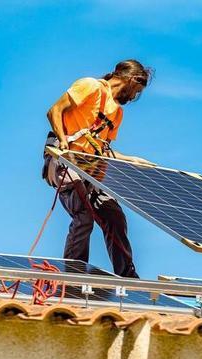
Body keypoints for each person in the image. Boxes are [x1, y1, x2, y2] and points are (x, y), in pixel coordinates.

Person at [42, 60, 154, 278]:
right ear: (131, 80)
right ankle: (73, 275)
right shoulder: (91, 87)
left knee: (114, 217)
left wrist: (131, 159)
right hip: (65, 162)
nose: (133, 98)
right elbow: (54, 111)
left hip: (91, 169)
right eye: (136, 92)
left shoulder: (117, 114)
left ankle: (128, 278)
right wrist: (64, 143)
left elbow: (102, 151)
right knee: (84, 217)